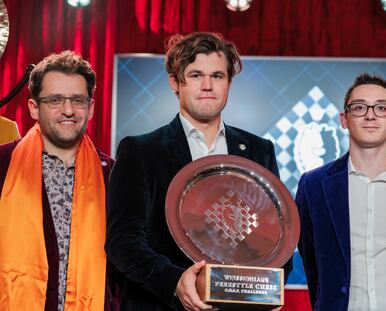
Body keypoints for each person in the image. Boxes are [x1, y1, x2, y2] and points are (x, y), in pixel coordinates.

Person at [106, 32, 292, 311]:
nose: (207, 85)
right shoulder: (140, 151)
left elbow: (277, 234)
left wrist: (266, 286)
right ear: (175, 82)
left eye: (217, 76)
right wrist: (175, 282)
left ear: (229, 82)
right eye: (195, 75)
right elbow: (123, 242)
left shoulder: (258, 150)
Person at [0, 51, 116, 311]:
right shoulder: (2, 165)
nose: (67, 110)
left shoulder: (113, 175)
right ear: (33, 108)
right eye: (54, 100)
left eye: (77, 100)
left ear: (91, 108)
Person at [296, 73, 386, 310]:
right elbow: (311, 262)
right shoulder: (313, 185)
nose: (370, 115)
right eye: (359, 107)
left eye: (381, 107)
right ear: (344, 119)